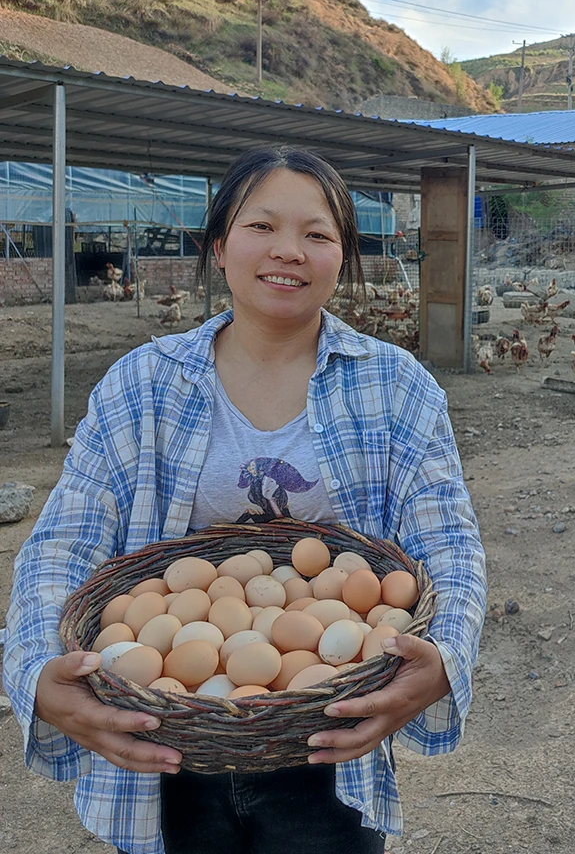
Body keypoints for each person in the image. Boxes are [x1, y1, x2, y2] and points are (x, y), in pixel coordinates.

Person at [2, 145, 487, 854]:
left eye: (317, 235)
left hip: (327, 743)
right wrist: (35, 672)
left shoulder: (397, 387)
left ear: (343, 257)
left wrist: (444, 656)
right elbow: (64, 544)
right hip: (166, 746)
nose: (289, 251)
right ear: (220, 245)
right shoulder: (142, 385)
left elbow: (448, 541)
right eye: (263, 227)